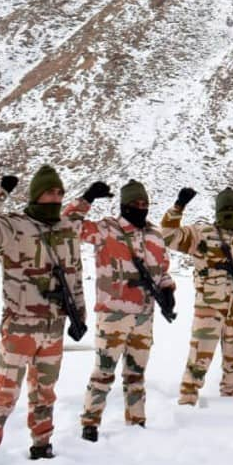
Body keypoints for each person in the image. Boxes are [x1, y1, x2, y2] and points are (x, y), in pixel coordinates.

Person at [0, 166, 87, 465]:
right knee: (4, 395)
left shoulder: (65, 229)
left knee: (45, 393)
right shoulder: (14, 227)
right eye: (49, 192)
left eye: (59, 192)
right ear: (36, 195)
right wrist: (0, 193)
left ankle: (42, 446)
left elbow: (75, 276)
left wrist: (79, 316)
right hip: (20, 326)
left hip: (54, 326)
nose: (55, 197)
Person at [64, 179, 177, 441]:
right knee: (103, 372)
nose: (141, 207)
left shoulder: (155, 236)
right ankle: (90, 424)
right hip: (113, 314)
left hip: (144, 316)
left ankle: (136, 423)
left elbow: (162, 272)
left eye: (145, 203)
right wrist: (87, 199)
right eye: (136, 203)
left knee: (136, 374)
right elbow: (67, 225)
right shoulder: (106, 230)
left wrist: (169, 292)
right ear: (124, 205)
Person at [161, 187, 233, 405]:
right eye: (225, 208)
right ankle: (187, 402)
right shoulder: (201, 234)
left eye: (232, 208)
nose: (228, 212)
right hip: (208, 307)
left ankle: (230, 404)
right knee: (199, 358)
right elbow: (167, 236)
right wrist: (178, 207)